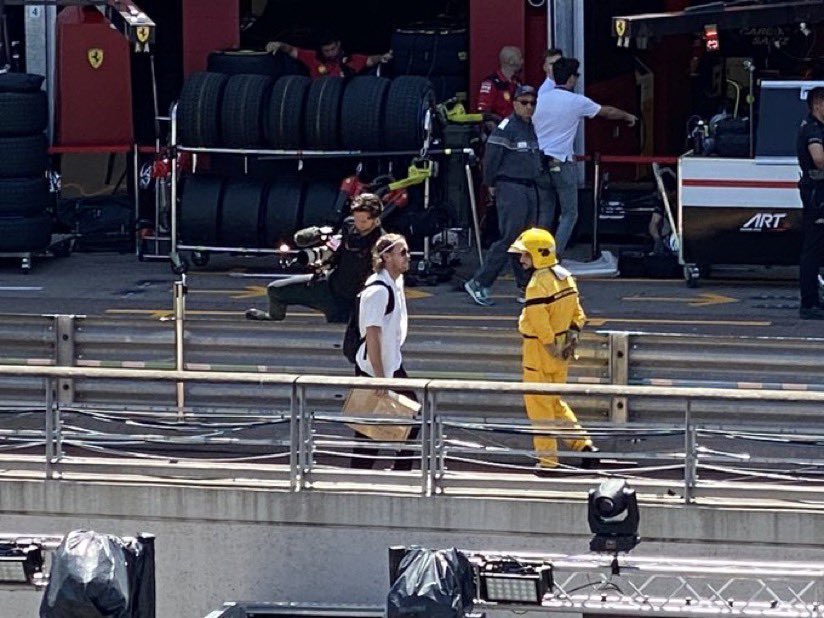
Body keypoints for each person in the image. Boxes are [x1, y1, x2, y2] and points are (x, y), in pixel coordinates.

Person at [507, 227, 598, 472]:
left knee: (540, 410)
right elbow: (579, 316)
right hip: (562, 352)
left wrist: (549, 346)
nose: (522, 259)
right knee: (555, 403)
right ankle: (583, 445)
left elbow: (539, 323)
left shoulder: (537, 285)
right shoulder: (566, 277)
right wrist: (567, 342)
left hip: (538, 353)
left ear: (538, 254)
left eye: (525, 254)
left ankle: (548, 462)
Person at [533, 57, 637, 257]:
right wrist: (628, 116)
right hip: (561, 161)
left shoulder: (541, 97)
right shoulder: (575, 101)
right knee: (569, 213)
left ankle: (537, 254)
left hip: (539, 162)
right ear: (572, 79)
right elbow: (607, 112)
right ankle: (552, 257)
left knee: (545, 212)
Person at [245, 193, 384, 323]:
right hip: (328, 286)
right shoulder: (348, 225)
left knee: (340, 333)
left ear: (375, 219)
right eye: (356, 219)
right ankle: (273, 317)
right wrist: (315, 257)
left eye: (364, 221)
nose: (359, 225)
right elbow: (333, 247)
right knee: (275, 290)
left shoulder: (382, 242)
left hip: (352, 301)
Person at [464, 84, 543, 307]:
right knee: (509, 238)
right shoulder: (507, 127)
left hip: (528, 187)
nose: (529, 107)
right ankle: (479, 282)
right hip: (511, 187)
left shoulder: (528, 127)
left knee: (524, 240)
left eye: (533, 103)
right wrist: (490, 185)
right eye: (524, 103)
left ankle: (525, 286)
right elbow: (491, 158)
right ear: (515, 103)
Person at [350, 233, 418, 471]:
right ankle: (366, 474)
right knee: (370, 432)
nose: (408, 257)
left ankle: (395, 470)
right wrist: (379, 378)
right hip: (375, 369)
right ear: (386, 257)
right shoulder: (378, 291)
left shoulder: (395, 283)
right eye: (402, 253)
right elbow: (372, 335)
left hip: (391, 365)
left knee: (407, 419)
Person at [795, 86, 824, 320]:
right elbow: (819, 159)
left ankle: (814, 298)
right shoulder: (813, 129)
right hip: (817, 195)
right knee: (813, 249)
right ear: (817, 104)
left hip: (818, 193)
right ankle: (809, 302)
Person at [265, 32, 391, 79]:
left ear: (339, 45)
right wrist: (279, 45)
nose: (330, 53)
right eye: (326, 50)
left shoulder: (351, 59)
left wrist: (382, 57)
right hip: (316, 98)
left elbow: (370, 60)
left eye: (333, 49)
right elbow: (291, 50)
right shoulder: (312, 57)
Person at [477, 46, 523, 132]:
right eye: (520, 58)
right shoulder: (491, 83)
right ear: (511, 61)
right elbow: (484, 114)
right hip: (500, 132)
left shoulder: (517, 82)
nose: (522, 61)